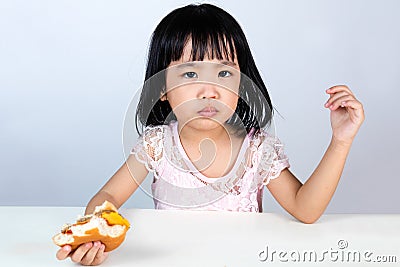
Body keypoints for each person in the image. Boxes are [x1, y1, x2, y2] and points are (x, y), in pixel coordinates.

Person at [56, 3, 364, 265]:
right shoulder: (158, 147)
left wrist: (341, 141)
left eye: (224, 73)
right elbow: (107, 196)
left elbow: (305, 209)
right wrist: (94, 237)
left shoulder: (257, 151)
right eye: (190, 73)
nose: (209, 90)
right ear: (161, 88)